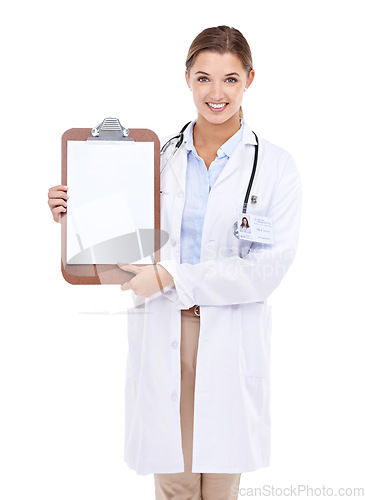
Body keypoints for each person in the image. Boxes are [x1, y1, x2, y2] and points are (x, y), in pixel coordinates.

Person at [48, 25, 302, 500]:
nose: (216, 92)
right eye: (203, 78)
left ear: (250, 78)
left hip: (229, 334)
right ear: (187, 78)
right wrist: (74, 208)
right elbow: (121, 240)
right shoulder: (154, 159)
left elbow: (266, 271)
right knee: (175, 489)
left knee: (220, 488)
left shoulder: (276, 167)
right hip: (166, 328)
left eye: (230, 79)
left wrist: (170, 274)